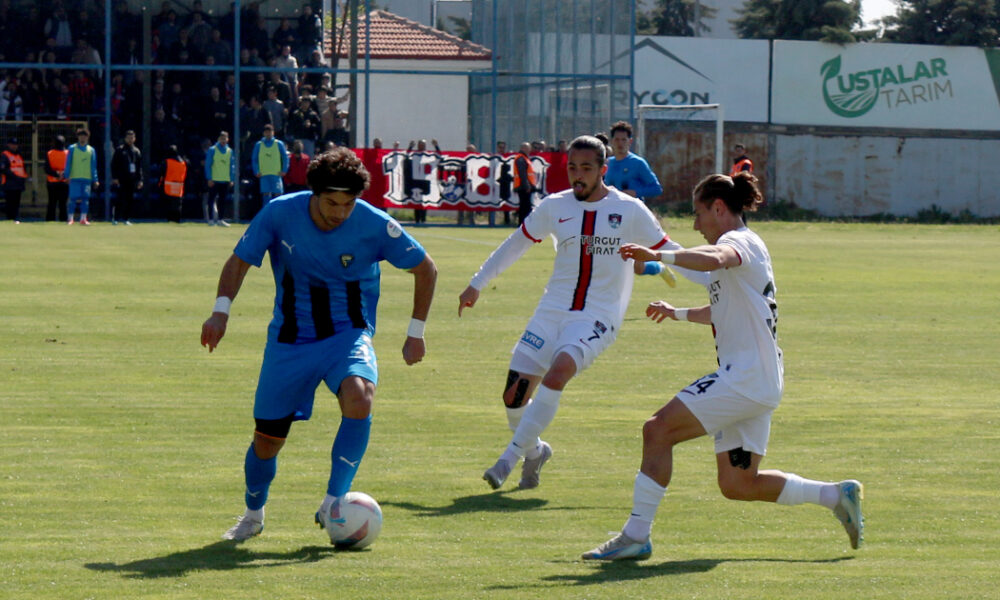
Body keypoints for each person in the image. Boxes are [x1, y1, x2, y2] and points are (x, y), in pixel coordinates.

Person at [582, 172, 864, 561]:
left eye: (697, 214)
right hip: (759, 380)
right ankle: (834, 495)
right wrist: (677, 313)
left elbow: (716, 257)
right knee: (738, 483)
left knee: (657, 430)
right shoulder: (738, 253)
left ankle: (635, 536)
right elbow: (724, 310)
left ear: (718, 208)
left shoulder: (739, 242)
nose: (696, 225)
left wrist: (659, 256)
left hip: (744, 378)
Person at [202, 147, 438, 542]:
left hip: (348, 334)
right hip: (290, 341)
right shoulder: (280, 213)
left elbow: (426, 268)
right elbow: (239, 260)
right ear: (314, 193)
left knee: (360, 396)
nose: (341, 212)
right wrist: (220, 312)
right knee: (267, 441)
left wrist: (416, 332)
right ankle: (253, 514)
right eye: (332, 202)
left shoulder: (375, 224)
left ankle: (333, 502)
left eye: (349, 203)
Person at [458, 136, 699, 492]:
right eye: (572, 167)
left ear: (603, 170)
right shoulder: (555, 205)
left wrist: (717, 276)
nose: (578, 175)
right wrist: (477, 283)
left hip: (597, 317)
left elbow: (670, 250)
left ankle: (507, 460)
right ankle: (535, 452)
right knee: (513, 397)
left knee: (559, 371)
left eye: (586, 168)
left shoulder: (629, 210)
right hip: (552, 310)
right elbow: (517, 243)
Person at [605, 120, 674, 285]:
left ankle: (659, 268)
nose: (620, 143)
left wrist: (635, 192)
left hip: (633, 217)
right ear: (612, 141)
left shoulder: (637, 163)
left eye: (624, 140)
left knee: (638, 268)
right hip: (611, 218)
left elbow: (656, 188)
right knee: (609, 258)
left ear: (630, 141)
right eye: (617, 140)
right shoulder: (608, 164)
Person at [64, 128, 99, 225]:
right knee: (73, 199)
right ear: (78, 137)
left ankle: (83, 219)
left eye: (84, 136)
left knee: (85, 199)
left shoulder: (91, 150)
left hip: (87, 178)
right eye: (80, 136)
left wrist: (95, 179)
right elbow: (68, 163)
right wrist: (67, 176)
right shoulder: (72, 148)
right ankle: (70, 219)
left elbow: (93, 166)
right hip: (75, 178)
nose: (82, 138)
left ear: (87, 137)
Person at [110, 130, 143, 225]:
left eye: (132, 138)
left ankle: (126, 219)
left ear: (134, 139)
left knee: (130, 199)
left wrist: (140, 180)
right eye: (128, 138)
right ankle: (115, 218)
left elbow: (139, 167)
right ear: (125, 139)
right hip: (121, 179)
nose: (130, 140)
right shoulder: (120, 150)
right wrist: (115, 177)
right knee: (119, 198)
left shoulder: (136, 151)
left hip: (132, 179)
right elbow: (114, 165)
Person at [204, 130, 236, 226]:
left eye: (225, 139)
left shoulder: (230, 151)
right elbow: (208, 165)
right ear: (218, 139)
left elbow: (232, 166)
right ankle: (210, 220)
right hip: (214, 180)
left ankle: (220, 220)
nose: (223, 141)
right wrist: (209, 178)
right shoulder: (212, 150)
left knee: (222, 201)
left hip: (225, 180)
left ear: (227, 139)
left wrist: (231, 179)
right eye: (222, 139)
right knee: (211, 200)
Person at [252, 124, 289, 203]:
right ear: (263, 133)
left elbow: (285, 157)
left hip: (276, 173)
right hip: (264, 174)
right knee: (266, 195)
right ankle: (267, 210)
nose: (268, 134)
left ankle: (278, 210)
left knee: (278, 195)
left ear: (273, 132)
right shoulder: (259, 145)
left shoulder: (279, 144)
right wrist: (256, 171)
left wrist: (284, 170)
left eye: (270, 132)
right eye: (266, 132)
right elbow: (254, 159)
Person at [1, 138, 28, 223]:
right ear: (8, 145)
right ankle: (10, 219)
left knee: (16, 203)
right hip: (9, 184)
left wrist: (23, 179)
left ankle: (15, 219)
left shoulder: (19, 155)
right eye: (12, 144)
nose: (14, 146)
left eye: (15, 144)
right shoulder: (5, 155)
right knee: (10, 203)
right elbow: (3, 169)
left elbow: (22, 168)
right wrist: (15, 177)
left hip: (18, 184)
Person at [44, 135, 70, 222]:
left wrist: (56, 174)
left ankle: (50, 220)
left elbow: (47, 169)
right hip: (64, 182)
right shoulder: (68, 153)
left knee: (52, 203)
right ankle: (63, 220)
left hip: (52, 182)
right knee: (63, 204)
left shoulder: (49, 153)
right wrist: (63, 174)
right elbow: (70, 168)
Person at [160, 145, 188, 223]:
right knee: (177, 204)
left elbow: (162, 173)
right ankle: (177, 219)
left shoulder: (166, 162)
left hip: (168, 186)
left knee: (169, 204)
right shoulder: (183, 163)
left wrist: (160, 184)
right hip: (179, 186)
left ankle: (169, 219)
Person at [513, 142, 536, 225]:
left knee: (525, 207)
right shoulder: (521, 158)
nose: (530, 150)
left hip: (523, 187)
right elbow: (522, 174)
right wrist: (527, 186)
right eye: (528, 148)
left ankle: (524, 224)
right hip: (523, 187)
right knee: (525, 207)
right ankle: (523, 224)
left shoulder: (524, 158)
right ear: (523, 148)